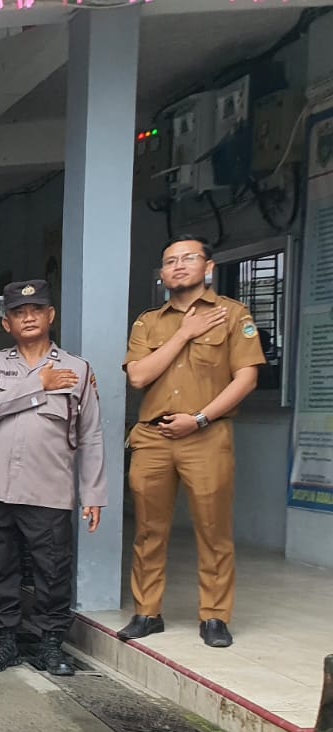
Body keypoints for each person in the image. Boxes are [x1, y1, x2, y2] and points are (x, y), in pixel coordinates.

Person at [121, 235, 264, 648]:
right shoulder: (149, 322)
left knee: (213, 527)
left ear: (209, 267)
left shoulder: (234, 316)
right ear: (162, 274)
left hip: (206, 434)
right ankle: (147, 612)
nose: (179, 266)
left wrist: (200, 418)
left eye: (188, 258)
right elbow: (138, 376)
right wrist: (184, 333)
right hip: (153, 437)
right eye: (170, 261)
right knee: (149, 529)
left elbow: (247, 378)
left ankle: (215, 616)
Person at [0, 280, 107, 676]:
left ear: (51, 315)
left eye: (36, 309)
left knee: (52, 572)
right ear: (6, 322)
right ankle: (5, 642)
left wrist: (93, 493)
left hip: (50, 490)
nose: (28, 317)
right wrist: (38, 384)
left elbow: (92, 434)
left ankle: (51, 644)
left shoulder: (78, 369)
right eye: (18, 312)